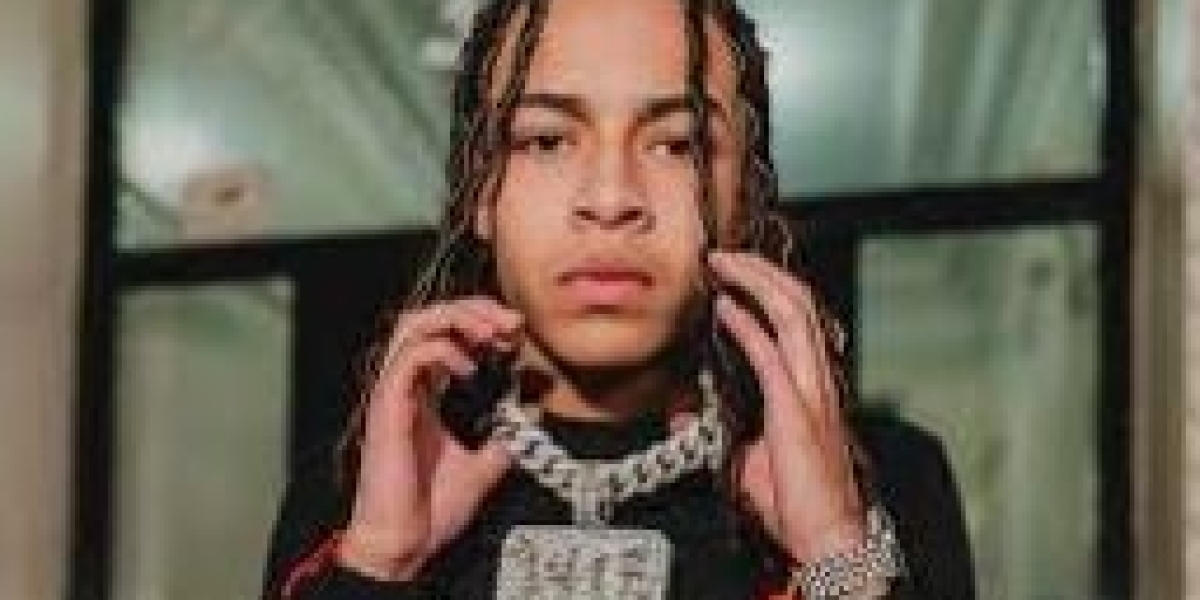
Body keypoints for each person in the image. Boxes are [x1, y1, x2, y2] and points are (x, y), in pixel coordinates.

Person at [262, 0, 975, 598]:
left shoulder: (886, 479)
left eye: (677, 145)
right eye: (546, 141)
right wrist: (376, 564)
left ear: (744, 198)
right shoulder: (355, 489)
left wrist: (836, 558)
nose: (611, 199)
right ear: (479, 192)